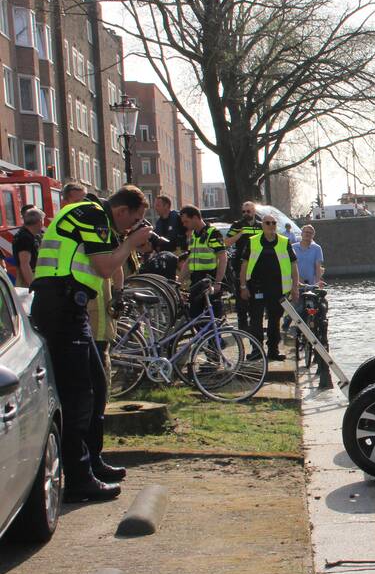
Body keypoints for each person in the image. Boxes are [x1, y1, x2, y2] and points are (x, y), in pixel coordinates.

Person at [30, 185, 152, 501]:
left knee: (95, 387)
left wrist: (126, 241)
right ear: (121, 211)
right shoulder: (92, 214)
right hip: (61, 307)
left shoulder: (93, 217)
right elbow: (106, 267)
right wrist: (130, 242)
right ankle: (78, 478)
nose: (131, 227)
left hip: (71, 307)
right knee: (78, 396)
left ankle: (91, 462)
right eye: (133, 219)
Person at [238, 213, 299, 361]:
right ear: (262, 225)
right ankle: (257, 351)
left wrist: (295, 287)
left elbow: (293, 265)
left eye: (273, 223)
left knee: (274, 320)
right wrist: (243, 286)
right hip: (256, 287)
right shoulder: (253, 242)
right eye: (267, 223)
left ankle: (273, 351)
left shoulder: (284, 242)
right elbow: (244, 265)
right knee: (256, 321)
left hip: (277, 288)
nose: (271, 226)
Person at [179, 205, 228, 318]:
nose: (184, 225)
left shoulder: (212, 233)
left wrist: (218, 282)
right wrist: (179, 282)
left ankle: (215, 336)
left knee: (213, 318)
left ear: (196, 217)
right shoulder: (193, 236)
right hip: (196, 280)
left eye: (186, 221)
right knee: (194, 316)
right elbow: (190, 260)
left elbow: (223, 258)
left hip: (209, 279)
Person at [225, 202, 262, 337]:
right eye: (244, 212)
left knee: (257, 297)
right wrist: (239, 234)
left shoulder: (260, 225)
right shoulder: (237, 225)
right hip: (240, 265)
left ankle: (255, 325)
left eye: (249, 211)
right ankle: (242, 327)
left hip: (257, 266)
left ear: (254, 211)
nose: (246, 214)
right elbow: (227, 242)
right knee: (241, 298)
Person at [13, 207, 44, 287]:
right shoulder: (25, 238)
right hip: (27, 279)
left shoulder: (28, 235)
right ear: (40, 222)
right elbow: (25, 264)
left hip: (29, 276)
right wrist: (32, 286)